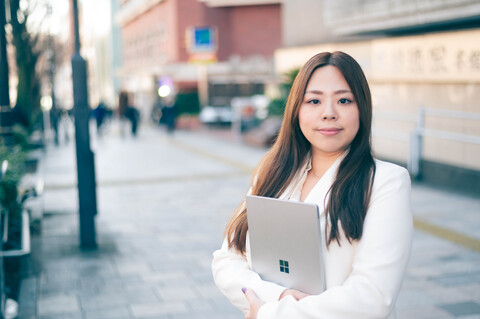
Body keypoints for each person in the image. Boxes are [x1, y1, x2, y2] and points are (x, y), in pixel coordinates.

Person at [211, 51, 413, 319]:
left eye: (344, 100)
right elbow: (227, 260)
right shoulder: (272, 173)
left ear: (362, 108)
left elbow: (372, 297)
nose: (328, 113)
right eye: (314, 100)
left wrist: (271, 314)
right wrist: (278, 297)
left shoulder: (386, 182)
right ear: (297, 109)